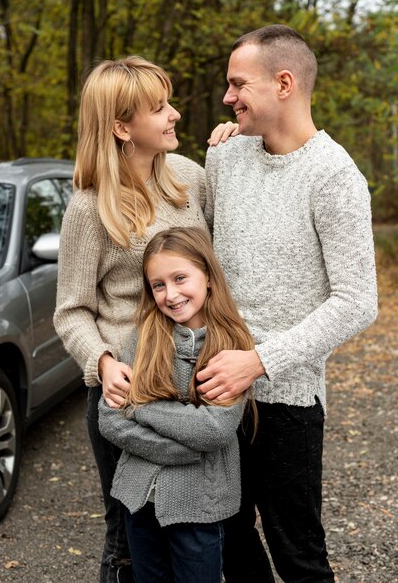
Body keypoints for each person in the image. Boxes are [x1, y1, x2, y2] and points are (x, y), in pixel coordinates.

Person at [197, 24, 378, 582]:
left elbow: (357, 301)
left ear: (283, 83)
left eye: (236, 84)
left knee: (298, 555)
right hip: (216, 393)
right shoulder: (225, 160)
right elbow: (199, 262)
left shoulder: (335, 176)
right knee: (223, 532)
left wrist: (260, 360)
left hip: (288, 403)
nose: (227, 98)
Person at [53, 56, 229, 582]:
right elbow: (72, 310)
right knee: (128, 530)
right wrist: (101, 361)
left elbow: (217, 268)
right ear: (122, 127)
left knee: (202, 522)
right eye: (159, 108)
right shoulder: (89, 207)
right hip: (125, 392)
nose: (174, 114)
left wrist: (234, 148)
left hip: (196, 381)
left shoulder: (191, 178)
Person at [98, 226, 253, 583]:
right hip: (139, 500)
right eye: (158, 285)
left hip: (198, 506)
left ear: (209, 277)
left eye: (180, 277)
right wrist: (183, 450)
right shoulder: (143, 336)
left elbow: (213, 430)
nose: (170, 294)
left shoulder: (233, 346)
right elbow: (109, 419)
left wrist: (139, 406)